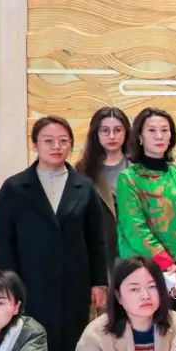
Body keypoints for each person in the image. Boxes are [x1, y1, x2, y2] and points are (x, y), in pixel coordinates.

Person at [0, 115, 108, 351]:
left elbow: (96, 241)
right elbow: (3, 242)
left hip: (73, 286)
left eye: (63, 141)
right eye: (48, 140)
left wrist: (98, 281)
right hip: (28, 286)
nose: (57, 147)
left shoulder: (83, 187)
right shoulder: (15, 188)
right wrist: (7, 289)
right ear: (35, 144)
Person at [116, 107, 176, 312]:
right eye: (152, 130)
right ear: (140, 136)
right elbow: (135, 228)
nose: (159, 136)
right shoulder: (129, 178)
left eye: (164, 130)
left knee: (173, 324)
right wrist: (168, 266)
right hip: (144, 271)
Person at [75, 106, 131, 272]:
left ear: (126, 132)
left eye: (117, 130)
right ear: (96, 134)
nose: (112, 136)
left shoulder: (137, 167)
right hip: (99, 249)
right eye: (105, 131)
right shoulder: (83, 170)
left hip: (132, 247)